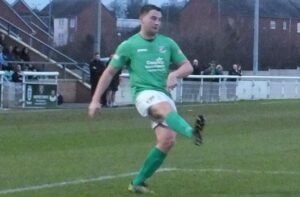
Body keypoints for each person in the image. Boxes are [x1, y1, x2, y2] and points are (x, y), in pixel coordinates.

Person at [88, 4, 205, 194]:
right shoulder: (129, 45)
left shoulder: (167, 43)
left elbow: (188, 66)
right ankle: (192, 132)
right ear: (141, 19)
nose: (157, 22)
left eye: (159, 19)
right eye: (153, 18)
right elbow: (109, 72)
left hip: (163, 94)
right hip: (144, 95)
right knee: (164, 110)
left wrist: (175, 74)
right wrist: (95, 100)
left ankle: (137, 182)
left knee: (167, 140)